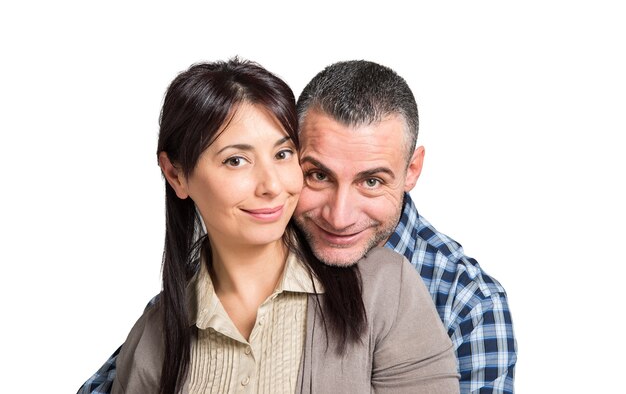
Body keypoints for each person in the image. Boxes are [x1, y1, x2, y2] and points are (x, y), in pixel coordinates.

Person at [79, 59, 516, 394]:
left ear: (412, 169)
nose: (338, 216)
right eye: (319, 174)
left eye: (371, 180)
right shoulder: (168, 318)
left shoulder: (458, 298)